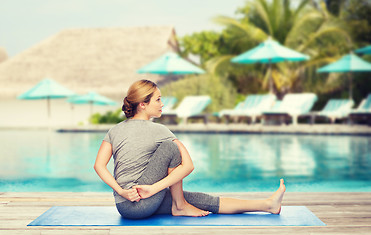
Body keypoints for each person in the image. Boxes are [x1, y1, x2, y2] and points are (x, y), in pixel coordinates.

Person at [94, 79, 286, 219]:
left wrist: (122, 191)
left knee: (201, 200)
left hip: (125, 207)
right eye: (158, 100)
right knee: (171, 148)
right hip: (143, 202)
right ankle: (179, 206)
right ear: (143, 105)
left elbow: (99, 166)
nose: (163, 104)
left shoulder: (114, 130)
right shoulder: (160, 131)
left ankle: (268, 205)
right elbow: (188, 165)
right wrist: (153, 189)